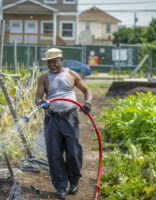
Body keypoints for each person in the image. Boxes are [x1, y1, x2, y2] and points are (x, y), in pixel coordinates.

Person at [35, 48, 92, 199]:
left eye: (55, 61)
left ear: (61, 60)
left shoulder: (71, 75)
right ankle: (60, 186)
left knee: (73, 151)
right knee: (55, 153)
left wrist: (88, 103)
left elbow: (87, 90)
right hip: (52, 118)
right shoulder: (44, 78)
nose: (52, 65)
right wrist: (42, 103)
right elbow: (38, 98)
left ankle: (74, 181)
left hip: (70, 117)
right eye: (49, 62)